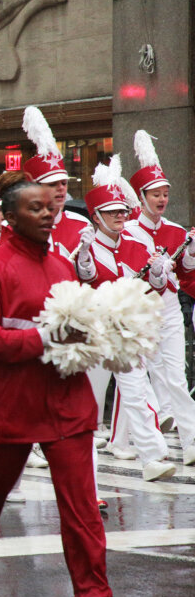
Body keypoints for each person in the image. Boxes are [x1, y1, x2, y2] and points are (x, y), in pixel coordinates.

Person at [0, 170, 124, 597]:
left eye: (51, 207)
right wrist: (42, 339)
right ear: (8, 216)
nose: (48, 214)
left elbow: (76, 328)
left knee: (81, 504)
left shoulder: (61, 265)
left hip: (67, 401)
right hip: (11, 403)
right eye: (35, 208)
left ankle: (93, 592)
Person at [74, 156, 174, 482]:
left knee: (137, 392)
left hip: (124, 334)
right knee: (86, 406)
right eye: (111, 212)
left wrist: (158, 272)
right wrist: (85, 257)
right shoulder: (85, 247)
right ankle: (82, 473)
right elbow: (83, 279)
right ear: (95, 217)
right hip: (93, 333)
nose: (119, 216)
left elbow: (154, 288)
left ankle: (153, 457)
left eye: (121, 211)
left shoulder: (134, 246)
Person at [123, 130, 195, 464]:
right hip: (140, 310)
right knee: (148, 375)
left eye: (165, 193)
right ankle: (146, 440)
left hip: (168, 308)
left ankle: (191, 441)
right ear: (142, 196)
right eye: (155, 194)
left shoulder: (177, 230)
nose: (162, 199)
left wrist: (190, 252)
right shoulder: (128, 233)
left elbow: (185, 269)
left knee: (177, 377)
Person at [22, 106, 91, 256]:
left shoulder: (81, 224)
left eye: (64, 183)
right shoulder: (20, 226)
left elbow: (90, 278)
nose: (61, 189)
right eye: (52, 184)